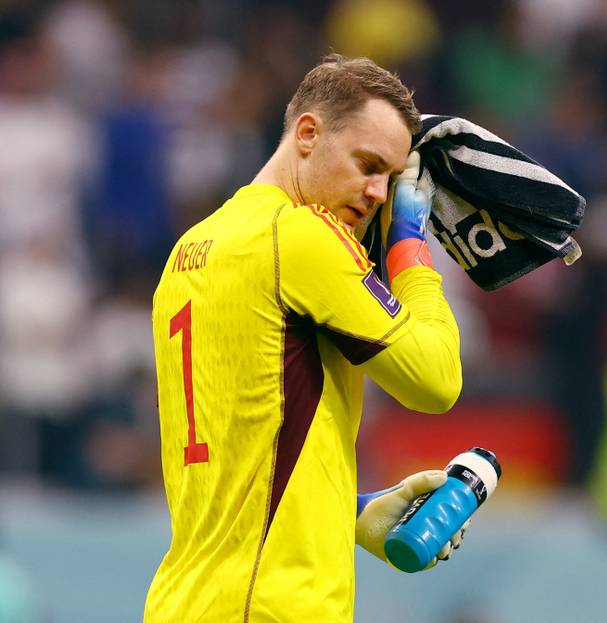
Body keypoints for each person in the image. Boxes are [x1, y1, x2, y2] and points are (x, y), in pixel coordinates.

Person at [145, 54, 463, 622]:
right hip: (272, 606)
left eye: (392, 181)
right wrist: (409, 244)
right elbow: (436, 381)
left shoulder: (189, 250)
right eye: (368, 164)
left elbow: (241, 463)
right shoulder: (300, 237)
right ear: (308, 134)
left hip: (190, 599)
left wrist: (350, 512)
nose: (378, 195)